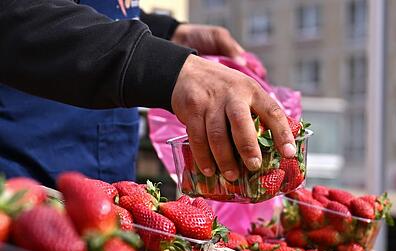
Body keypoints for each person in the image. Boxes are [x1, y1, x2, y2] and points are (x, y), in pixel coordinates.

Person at [0, 0, 295, 187]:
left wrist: (168, 33)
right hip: (22, 183)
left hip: (104, 180)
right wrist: (168, 68)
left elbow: (96, 8)